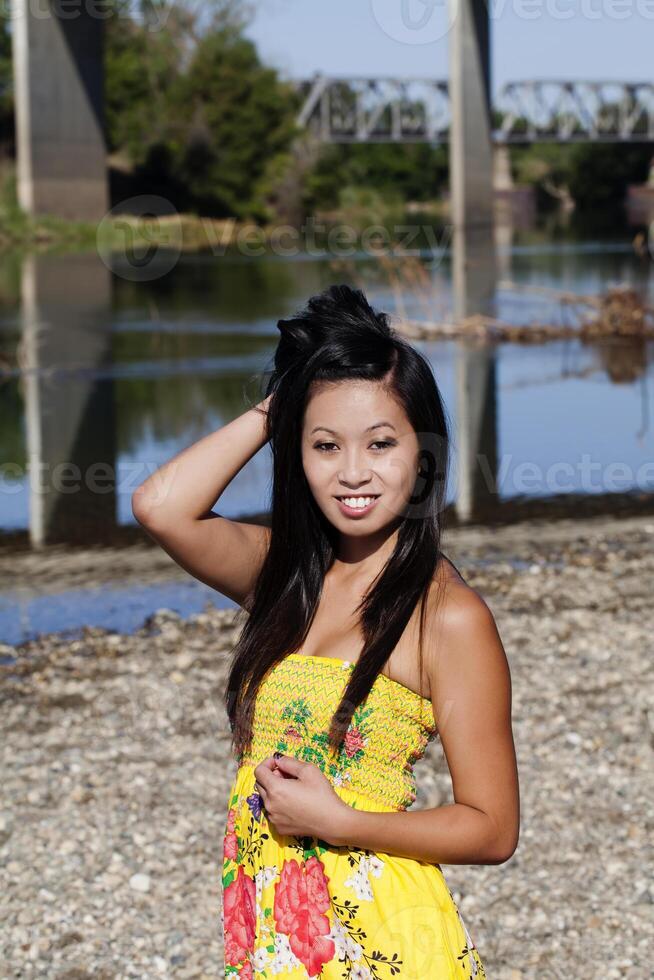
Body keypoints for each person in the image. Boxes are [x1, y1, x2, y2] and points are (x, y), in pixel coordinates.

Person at [132, 283, 519, 978]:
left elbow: (492, 827)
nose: (352, 473)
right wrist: (288, 395)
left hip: (382, 948)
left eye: (381, 444)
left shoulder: (448, 617)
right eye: (324, 446)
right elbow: (161, 505)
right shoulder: (285, 578)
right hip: (277, 937)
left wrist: (341, 822)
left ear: (423, 456)